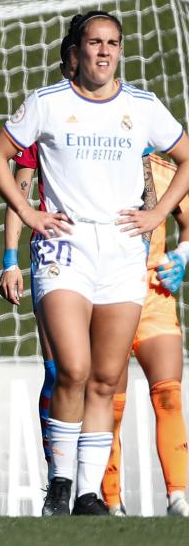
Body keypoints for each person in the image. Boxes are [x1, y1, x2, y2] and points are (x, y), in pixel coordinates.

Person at [0, 10, 189, 516]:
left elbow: (186, 158)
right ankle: (59, 482)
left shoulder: (142, 106)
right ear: (76, 52)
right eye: (95, 43)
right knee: (72, 368)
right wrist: (28, 212)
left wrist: (158, 213)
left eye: (113, 43)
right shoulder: (48, 103)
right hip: (65, 247)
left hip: (122, 251)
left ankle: (91, 494)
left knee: (105, 376)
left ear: (120, 50)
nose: (104, 52)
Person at [0, 30, 78, 476]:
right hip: (53, 253)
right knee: (59, 368)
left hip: (107, 255)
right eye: (69, 62)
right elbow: (21, 193)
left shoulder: (118, 116)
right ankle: (58, 476)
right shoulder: (45, 118)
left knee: (103, 377)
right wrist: (10, 259)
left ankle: (100, 486)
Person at [100, 152, 189, 517]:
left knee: (168, 394)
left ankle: (178, 498)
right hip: (108, 295)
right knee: (110, 405)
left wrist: (182, 255)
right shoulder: (96, 166)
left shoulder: (166, 170)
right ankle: (110, 502)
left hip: (154, 294)